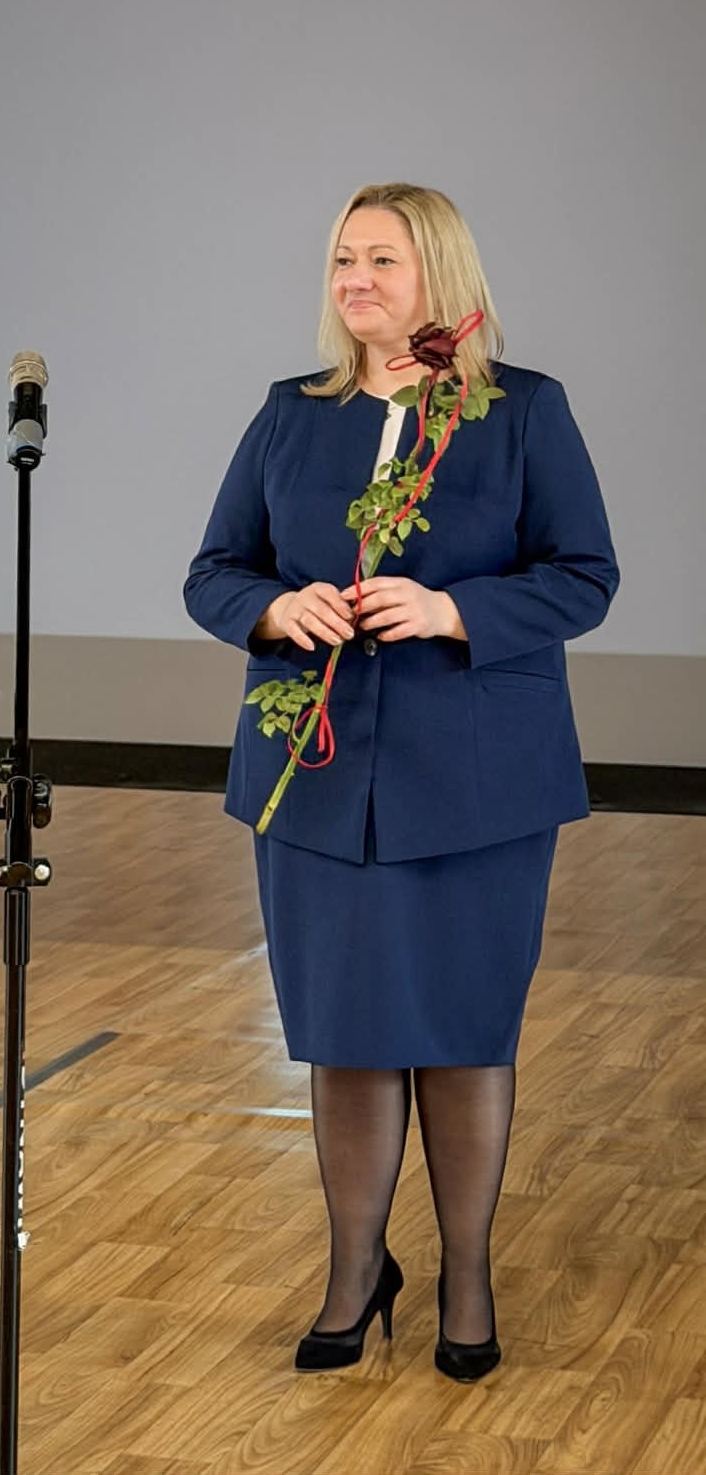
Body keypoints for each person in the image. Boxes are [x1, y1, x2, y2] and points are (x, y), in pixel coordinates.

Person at [183, 182, 618, 1380]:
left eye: (379, 258)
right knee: (346, 1034)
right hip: (315, 781)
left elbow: (583, 574)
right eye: (341, 259)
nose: (353, 280)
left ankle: (465, 1280)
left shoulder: (522, 411)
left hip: (476, 784)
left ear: (438, 271)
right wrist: (275, 607)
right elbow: (214, 570)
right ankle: (352, 1272)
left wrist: (449, 610)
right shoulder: (290, 414)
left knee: (464, 1032)